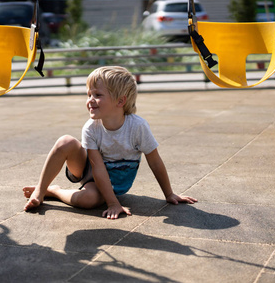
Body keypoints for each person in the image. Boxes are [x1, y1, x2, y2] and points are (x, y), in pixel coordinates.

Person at [23, 66, 197, 219]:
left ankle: (54, 190)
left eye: (97, 95)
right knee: (65, 141)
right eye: (89, 94)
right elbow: (96, 167)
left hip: (113, 183)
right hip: (88, 170)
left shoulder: (138, 127)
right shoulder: (91, 128)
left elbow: (155, 161)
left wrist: (169, 194)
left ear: (120, 101)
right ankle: (40, 190)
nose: (90, 100)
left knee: (89, 200)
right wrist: (113, 204)